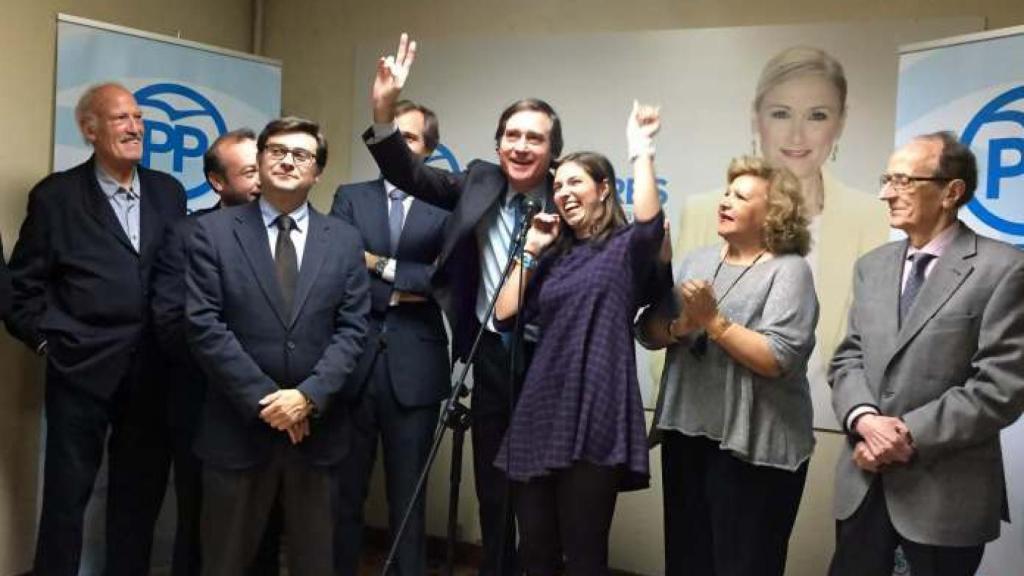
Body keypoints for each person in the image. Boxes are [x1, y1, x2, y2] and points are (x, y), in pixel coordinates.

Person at [364, 33, 562, 575]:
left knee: (542, 499)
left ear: (553, 151)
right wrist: (384, 108)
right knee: (494, 492)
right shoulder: (478, 181)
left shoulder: (568, 197)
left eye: (535, 138)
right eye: (512, 135)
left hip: (551, 362)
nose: (521, 146)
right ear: (498, 145)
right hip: (490, 355)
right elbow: (407, 172)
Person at [5, 82, 186, 575]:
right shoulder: (56, 196)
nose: (135, 127)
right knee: (66, 497)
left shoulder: (169, 193)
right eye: (121, 118)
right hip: (80, 370)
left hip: (153, 371)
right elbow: (21, 286)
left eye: (139, 117)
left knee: (139, 497)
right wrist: (46, 341)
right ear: (89, 129)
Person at [828, 132, 1024, 576]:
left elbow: (1001, 386)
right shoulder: (872, 266)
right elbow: (848, 357)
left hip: (944, 498)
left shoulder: (1004, 269)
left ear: (951, 192)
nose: (886, 193)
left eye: (902, 180)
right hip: (863, 485)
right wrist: (864, 419)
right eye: (886, 180)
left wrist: (902, 436)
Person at [186, 116, 369, 575]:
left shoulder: (344, 241)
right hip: (237, 430)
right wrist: (270, 401)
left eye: (301, 154)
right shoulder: (212, 232)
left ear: (318, 171)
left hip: (317, 436)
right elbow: (204, 324)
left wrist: (307, 397)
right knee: (224, 563)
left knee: (316, 564)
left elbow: (352, 329)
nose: (288, 161)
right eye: (278, 151)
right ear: (261, 160)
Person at [670, 46, 888, 428]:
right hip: (698, 420)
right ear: (756, 118)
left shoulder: (872, 216)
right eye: (781, 113)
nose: (797, 134)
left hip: (801, 423)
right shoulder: (703, 210)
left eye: (817, 115)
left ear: (840, 122)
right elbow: (664, 343)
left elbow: (865, 345)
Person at [489, 102, 663, 576]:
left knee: (585, 553)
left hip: (596, 405)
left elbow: (650, 225)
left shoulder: (625, 248)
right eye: (558, 186)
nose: (563, 193)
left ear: (603, 189)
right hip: (542, 406)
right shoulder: (555, 256)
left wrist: (641, 149)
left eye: (575, 183)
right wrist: (531, 249)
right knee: (534, 551)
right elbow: (503, 313)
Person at [637, 156, 819, 575]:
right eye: (725, 192)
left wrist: (714, 323)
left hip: (755, 447)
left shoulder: (790, 271)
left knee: (744, 564)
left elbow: (778, 358)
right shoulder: (696, 261)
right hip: (687, 433)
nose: (725, 201)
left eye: (740, 196)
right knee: (686, 562)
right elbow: (647, 331)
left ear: (773, 213)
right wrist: (681, 326)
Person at [151, 128, 280, 576]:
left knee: (266, 529)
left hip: (278, 410)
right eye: (249, 172)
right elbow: (172, 323)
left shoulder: (296, 235)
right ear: (217, 182)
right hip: (206, 406)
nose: (262, 179)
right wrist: (240, 376)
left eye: (263, 167)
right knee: (201, 529)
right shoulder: (187, 235)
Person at [330, 99, 451, 576]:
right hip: (352, 362)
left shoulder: (448, 205)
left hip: (415, 369)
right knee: (343, 494)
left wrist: (376, 264)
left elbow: (444, 282)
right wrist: (404, 284)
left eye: (411, 138)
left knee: (409, 499)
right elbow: (338, 269)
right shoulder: (350, 197)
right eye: (393, 136)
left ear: (429, 150)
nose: (400, 145)